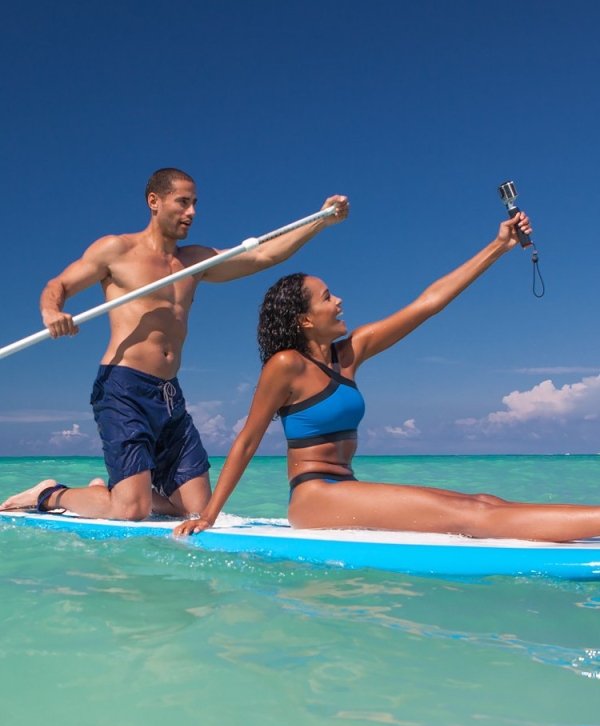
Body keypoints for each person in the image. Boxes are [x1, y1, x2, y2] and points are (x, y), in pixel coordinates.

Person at [174, 212, 600, 542]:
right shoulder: (287, 365)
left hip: (345, 487)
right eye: (327, 298)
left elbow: (428, 303)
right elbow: (247, 439)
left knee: (485, 501)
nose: (339, 301)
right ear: (304, 319)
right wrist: (209, 515)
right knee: (473, 517)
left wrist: (499, 245)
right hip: (316, 497)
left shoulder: (349, 354)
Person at [0, 168, 349, 520]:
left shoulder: (196, 260)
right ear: (154, 201)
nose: (192, 212)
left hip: (169, 393)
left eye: (195, 203)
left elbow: (264, 255)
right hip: (124, 387)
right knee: (131, 511)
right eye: (183, 202)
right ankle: (51, 494)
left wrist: (320, 221)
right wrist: (51, 312)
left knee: (196, 511)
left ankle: (109, 492)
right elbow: (58, 285)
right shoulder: (116, 250)